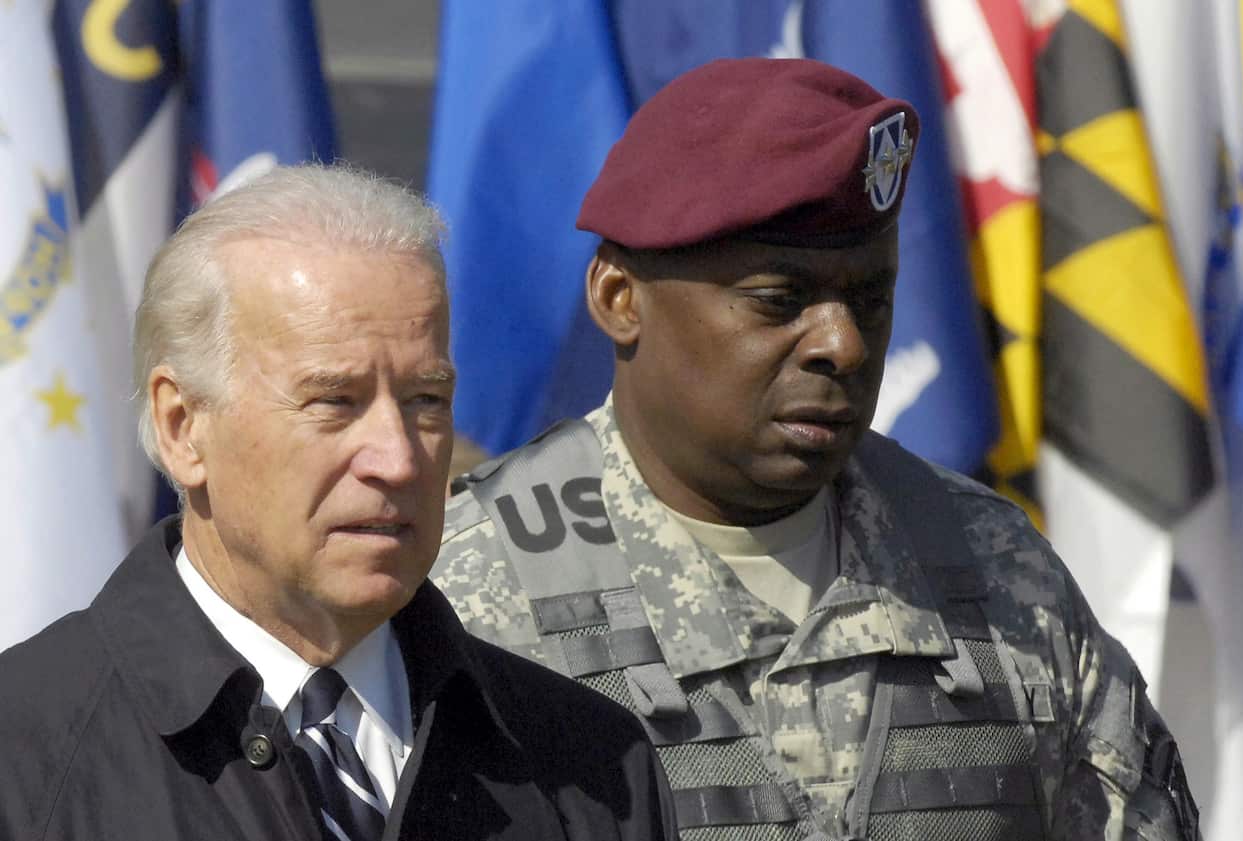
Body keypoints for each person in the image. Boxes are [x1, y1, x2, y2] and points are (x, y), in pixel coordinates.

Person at [433, 58, 1200, 841]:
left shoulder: (997, 572)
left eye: (871, 299)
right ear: (620, 299)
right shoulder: (464, 595)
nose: (843, 344)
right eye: (780, 300)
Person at [0, 165, 676, 841]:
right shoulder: (27, 756)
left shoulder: (591, 763)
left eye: (426, 401)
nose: (400, 458)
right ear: (184, 427)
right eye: (334, 402)